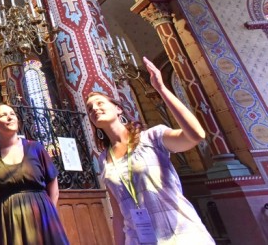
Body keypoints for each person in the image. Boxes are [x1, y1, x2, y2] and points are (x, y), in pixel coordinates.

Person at [85, 57, 215, 245]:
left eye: (99, 103)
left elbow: (196, 135)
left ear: (118, 109)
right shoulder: (105, 158)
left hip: (181, 235)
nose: (94, 109)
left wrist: (161, 89)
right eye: (89, 109)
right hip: (138, 239)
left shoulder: (152, 138)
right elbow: (119, 213)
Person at [0, 103, 69, 245]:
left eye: (12, 114)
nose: (10, 117)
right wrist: (6, 212)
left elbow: (53, 186)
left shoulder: (36, 148)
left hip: (42, 214)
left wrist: (47, 214)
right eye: (4, 115)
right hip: (10, 220)